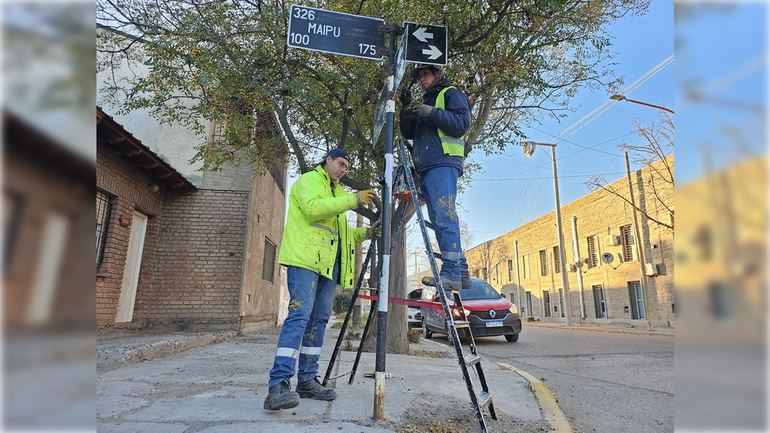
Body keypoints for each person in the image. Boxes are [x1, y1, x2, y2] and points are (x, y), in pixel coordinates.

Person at [263, 148, 380, 411]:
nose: (343, 169)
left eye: (347, 167)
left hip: (328, 266)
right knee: (299, 316)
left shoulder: (338, 192)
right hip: (305, 261)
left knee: (319, 321)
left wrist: (369, 233)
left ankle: (306, 381)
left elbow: (344, 234)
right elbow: (314, 210)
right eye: (340, 164)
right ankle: (278, 385)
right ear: (327, 160)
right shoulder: (308, 181)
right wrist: (353, 201)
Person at [399, 63, 472, 291]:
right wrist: (407, 108)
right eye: (419, 76)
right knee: (440, 217)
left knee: (444, 215)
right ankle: (460, 270)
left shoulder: (451, 94)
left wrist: (432, 112)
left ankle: (451, 271)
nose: (421, 79)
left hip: (443, 162)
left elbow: (462, 124)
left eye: (426, 74)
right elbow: (408, 133)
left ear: (438, 73)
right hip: (428, 167)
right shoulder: (427, 101)